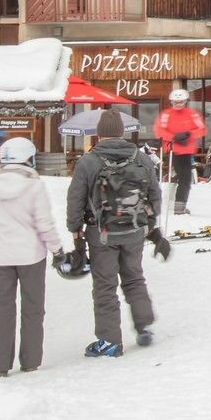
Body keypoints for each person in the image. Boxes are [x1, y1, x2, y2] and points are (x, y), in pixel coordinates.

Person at [67, 110, 165, 358]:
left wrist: (75, 228)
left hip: (101, 234)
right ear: (122, 132)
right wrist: (150, 224)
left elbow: (75, 198)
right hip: (134, 230)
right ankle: (144, 326)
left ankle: (109, 340)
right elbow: (155, 193)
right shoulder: (141, 159)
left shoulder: (88, 161)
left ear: (99, 133)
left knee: (105, 285)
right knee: (134, 277)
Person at [0, 137, 64, 376]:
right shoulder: (35, 186)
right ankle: (30, 361)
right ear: (28, 158)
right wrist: (57, 249)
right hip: (31, 256)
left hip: (0, 256)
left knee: (3, 311)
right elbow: (44, 223)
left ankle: (0, 365)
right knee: (33, 309)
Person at [153, 87, 207, 217]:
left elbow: (202, 129)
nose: (178, 104)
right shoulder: (166, 114)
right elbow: (159, 130)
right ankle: (178, 205)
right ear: (171, 102)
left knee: (185, 179)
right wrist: (173, 137)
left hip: (187, 151)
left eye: (181, 102)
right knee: (183, 179)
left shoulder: (192, 114)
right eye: (175, 102)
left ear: (186, 101)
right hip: (173, 150)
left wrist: (188, 134)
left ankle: (179, 205)